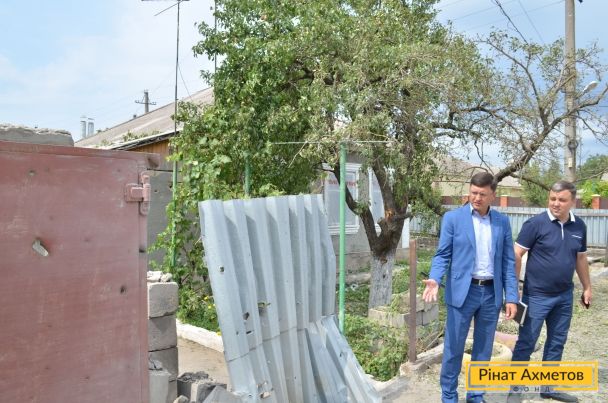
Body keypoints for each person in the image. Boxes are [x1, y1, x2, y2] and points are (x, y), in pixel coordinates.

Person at [423, 172, 519, 403]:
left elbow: (508, 261)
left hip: (491, 293)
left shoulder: (502, 222)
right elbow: (443, 254)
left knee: (483, 349)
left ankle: (475, 395)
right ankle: (449, 396)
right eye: (473, 192)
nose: (476, 198)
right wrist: (435, 278)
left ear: (493, 195)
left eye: (482, 194)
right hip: (462, 293)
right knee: (454, 348)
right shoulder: (453, 218)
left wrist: (511, 297)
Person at [507, 181, 592, 403]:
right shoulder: (535, 224)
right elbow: (516, 253)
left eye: (562, 200)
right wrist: (514, 290)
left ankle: (548, 388)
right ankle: (515, 391)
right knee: (526, 342)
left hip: (564, 296)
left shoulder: (579, 226)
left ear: (572, 201)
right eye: (553, 198)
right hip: (536, 296)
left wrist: (587, 287)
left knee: (557, 342)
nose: (556, 203)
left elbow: (581, 258)